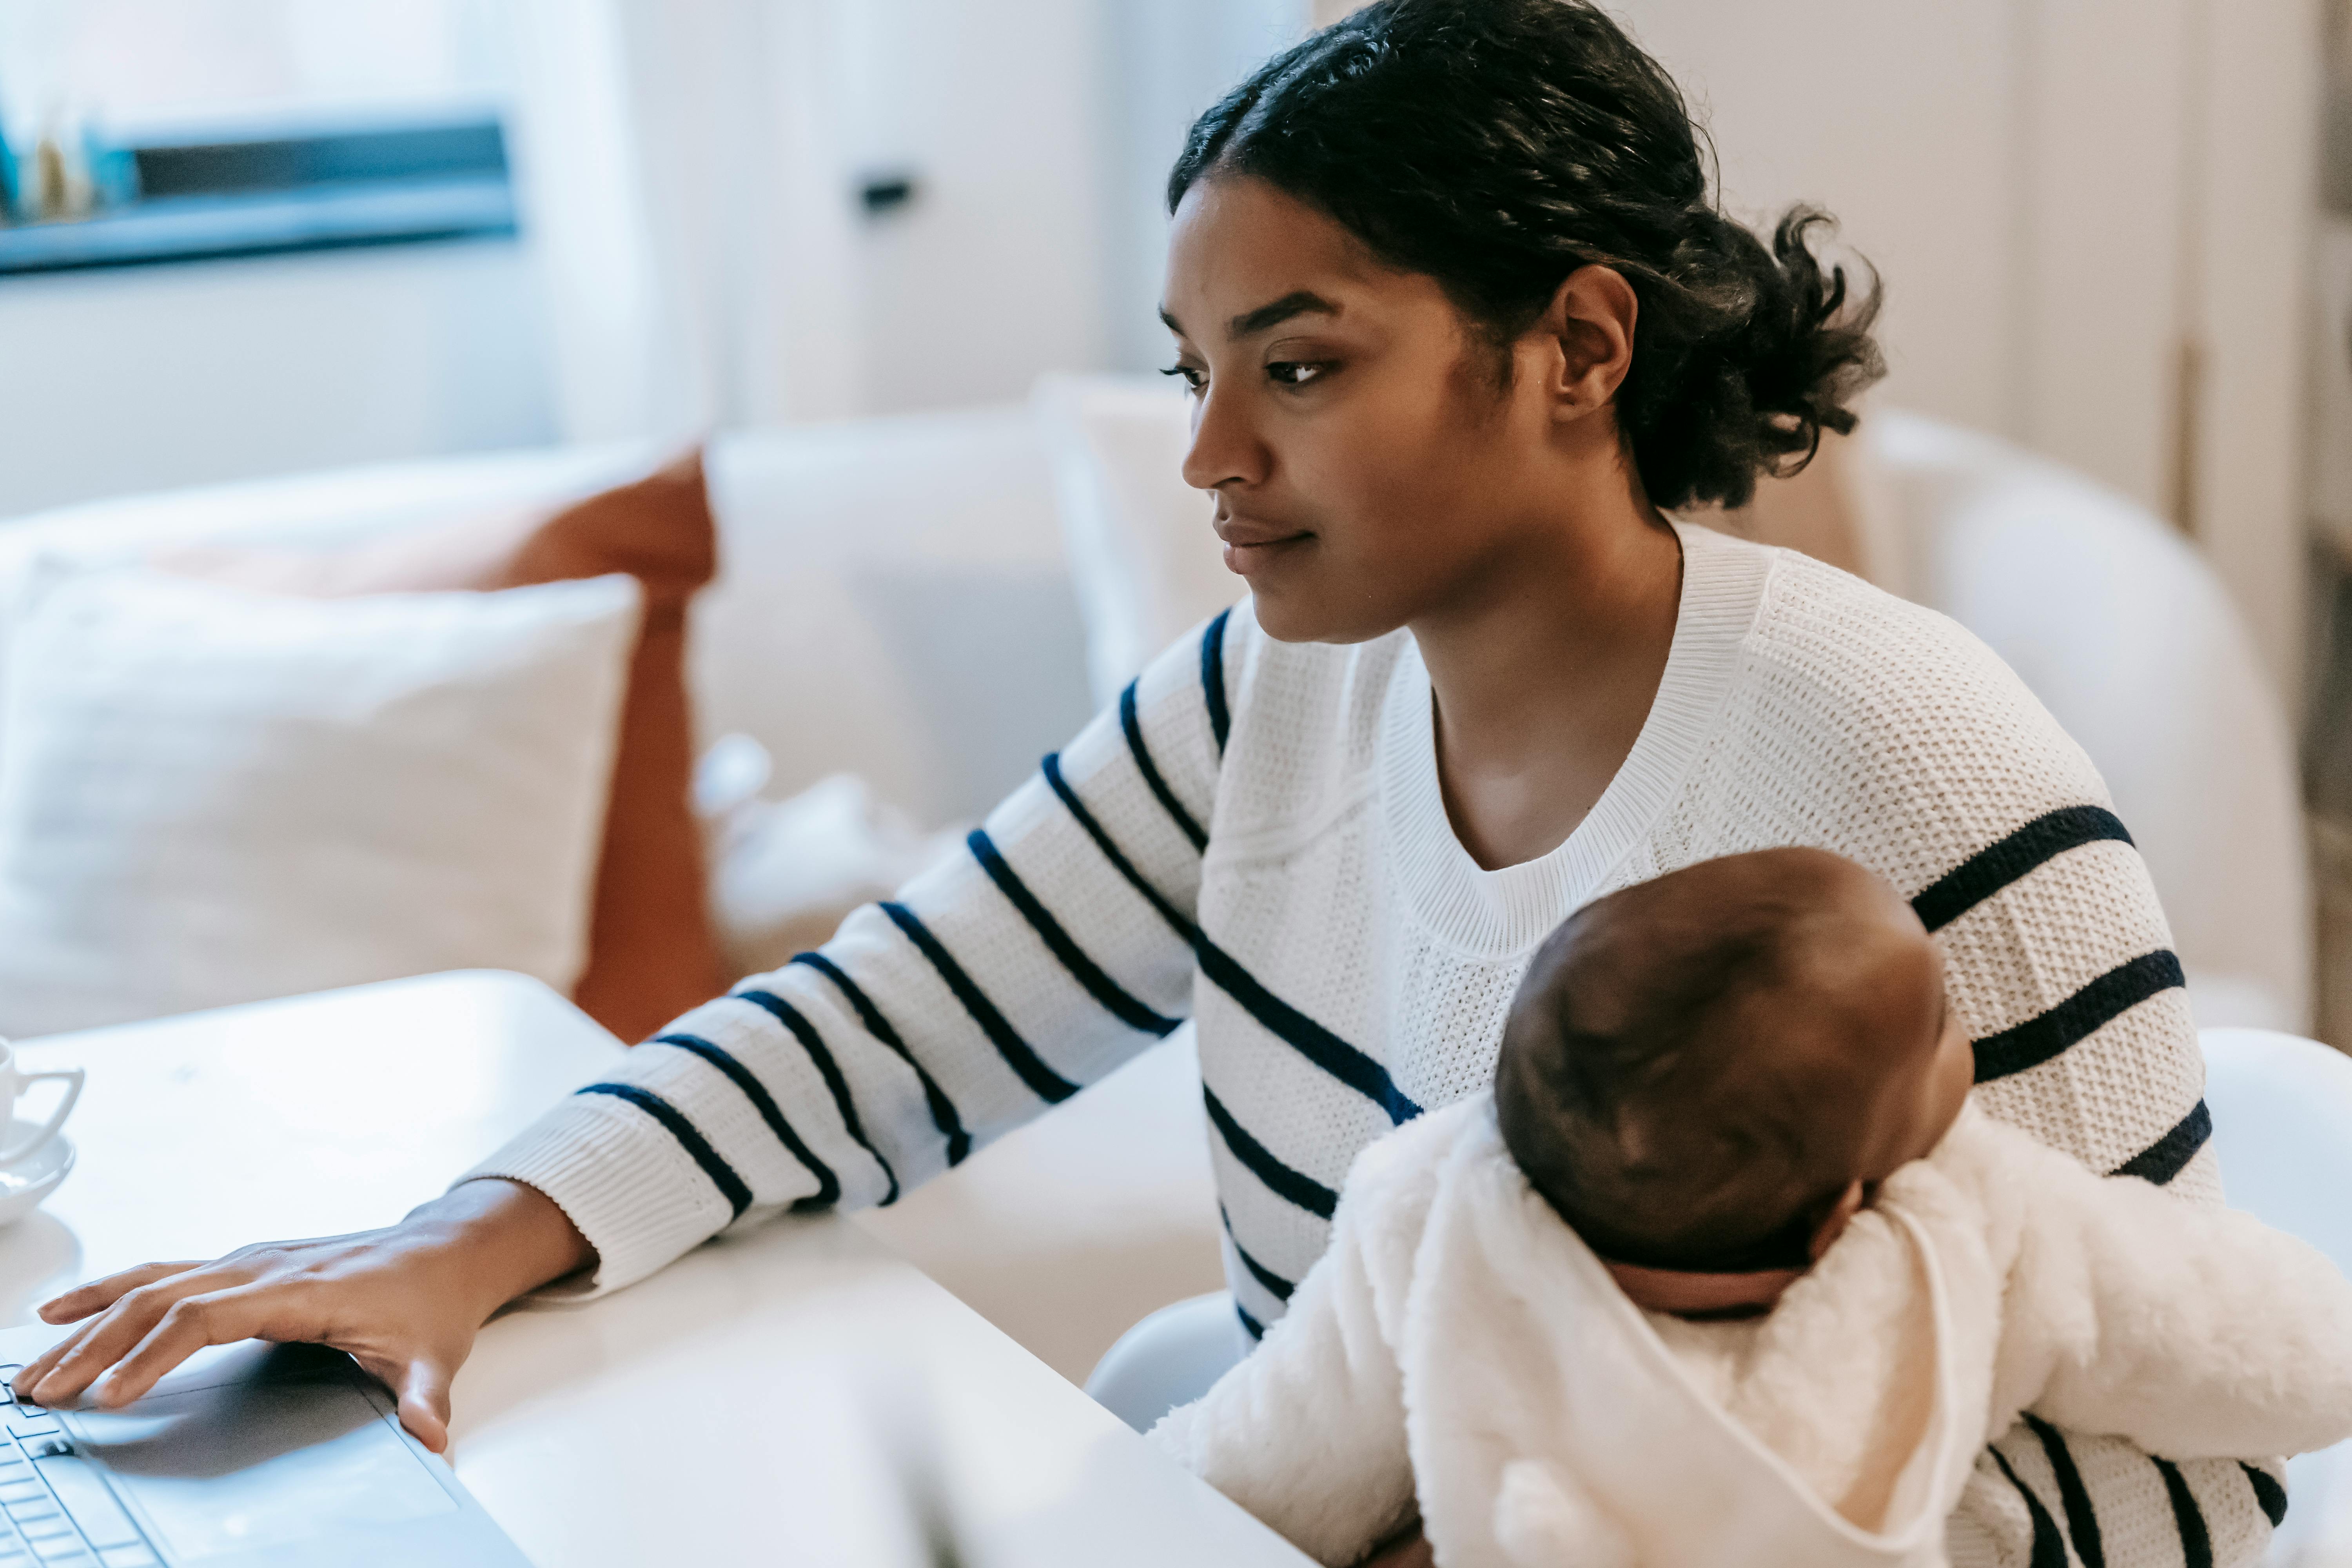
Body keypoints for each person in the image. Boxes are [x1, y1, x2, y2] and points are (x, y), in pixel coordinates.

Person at [13, 0, 2276, 1560]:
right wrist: (453, 1245)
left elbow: (2190, 1500)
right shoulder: (1268, 692)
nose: (1209, 458)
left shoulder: (1907, 763)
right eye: (1194, 370)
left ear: (1580, 346)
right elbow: (905, 1016)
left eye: (1299, 366)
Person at [1151, 849, 2351, 1566]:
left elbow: (1259, 1462)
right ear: (1838, 1214)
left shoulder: (1430, 1215)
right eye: (1941, 1025)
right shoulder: (1968, 1228)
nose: (1967, 1029)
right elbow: (2246, 1339)